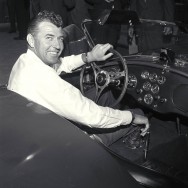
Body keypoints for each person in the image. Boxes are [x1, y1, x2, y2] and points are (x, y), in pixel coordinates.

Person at [7, 10, 149, 146]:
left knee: (106, 93)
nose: (57, 45)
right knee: (137, 114)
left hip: (39, 125)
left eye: (60, 38)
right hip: (60, 144)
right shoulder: (44, 79)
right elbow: (92, 116)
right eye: (49, 37)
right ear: (31, 40)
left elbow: (61, 64)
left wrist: (89, 57)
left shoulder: (25, 61)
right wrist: (131, 117)